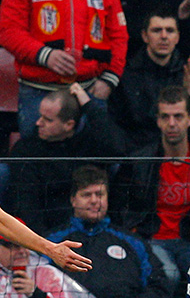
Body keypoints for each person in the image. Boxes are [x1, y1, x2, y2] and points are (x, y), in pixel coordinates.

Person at [116, 85, 190, 289]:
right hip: (151, 239)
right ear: (158, 120)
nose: (172, 124)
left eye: (178, 116)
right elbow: (118, 204)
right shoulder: (139, 161)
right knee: (168, 275)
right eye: (165, 117)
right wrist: (133, 235)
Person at [0, 0, 127, 135]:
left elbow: (119, 36)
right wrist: (44, 55)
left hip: (89, 92)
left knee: (93, 159)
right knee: (37, 159)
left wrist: (110, 79)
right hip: (37, 92)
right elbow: (8, 31)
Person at [47, 166, 171, 298]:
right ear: (73, 200)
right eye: (86, 195)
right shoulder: (52, 243)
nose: (94, 200)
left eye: (99, 195)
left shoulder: (132, 242)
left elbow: (158, 285)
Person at [6, 84, 127, 234]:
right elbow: (26, 203)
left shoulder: (90, 145)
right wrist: (46, 244)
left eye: (48, 120)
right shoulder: (26, 149)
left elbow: (119, 149)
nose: (38, 123)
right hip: (48, 234)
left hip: (93, 230)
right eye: (40, 116)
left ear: (69, 125)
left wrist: (88, 105)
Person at [109, 9, 190, 150]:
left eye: (170, 31)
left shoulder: (188, 71)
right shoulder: (127, 74)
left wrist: (189, 94)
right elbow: (119, 124)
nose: (164, 36)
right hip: (136, 152)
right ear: (145, 36)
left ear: (177, 37)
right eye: (157, 30)